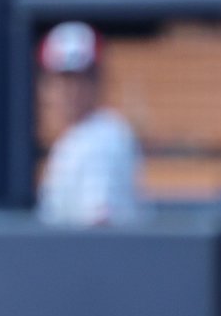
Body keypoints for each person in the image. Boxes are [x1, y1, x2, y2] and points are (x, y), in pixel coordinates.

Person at [35, 21, 145, 227]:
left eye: (82, 78)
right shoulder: (77, 136)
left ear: (99, 79)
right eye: (63, 78)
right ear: (46, 84)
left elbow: (99, 228)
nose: (71, 90)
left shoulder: (102, 138)